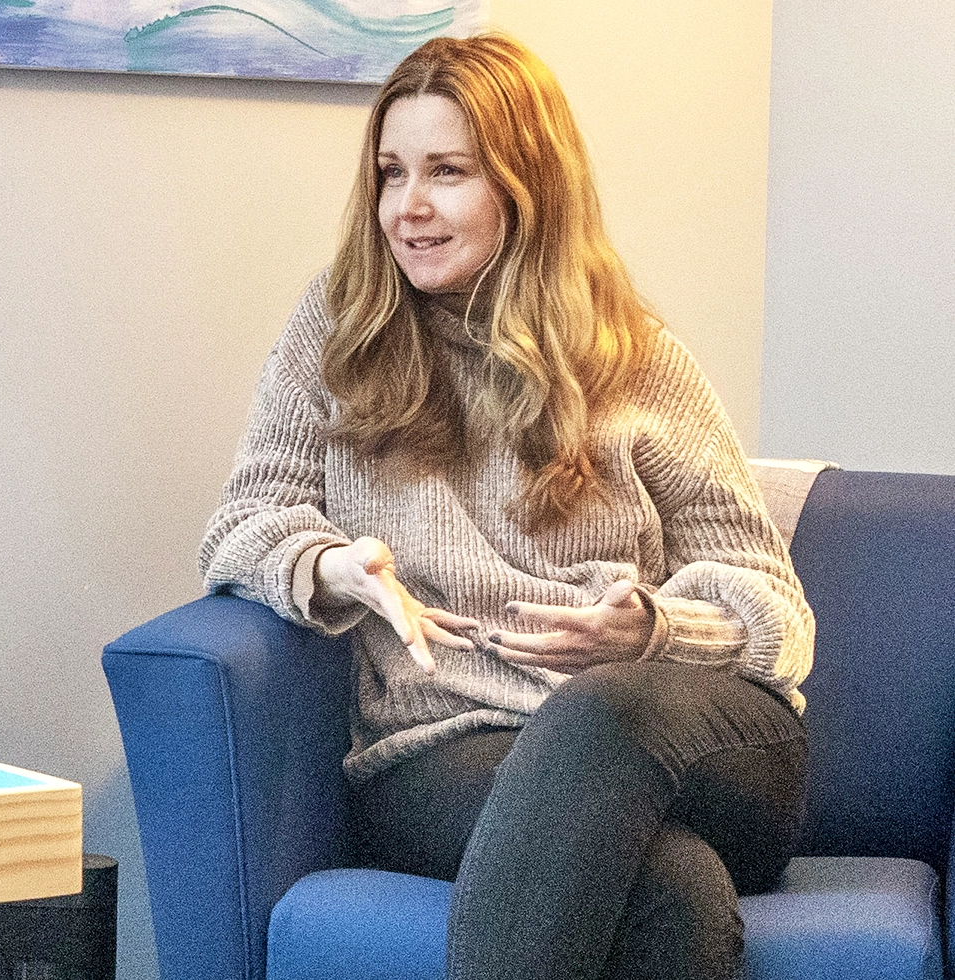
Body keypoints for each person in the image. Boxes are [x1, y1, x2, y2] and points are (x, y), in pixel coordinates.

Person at [199, 32, 813, 980]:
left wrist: (648, 631)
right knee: (675, 892)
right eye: (390, 173)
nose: (408, 208)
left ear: (526, 186)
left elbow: (773, 603)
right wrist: (333, 567)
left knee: (604, 714)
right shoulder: (341, 331)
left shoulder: (634, 357)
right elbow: (246, 522)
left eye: (447, 172)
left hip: (682, 740)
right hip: (446, 750)